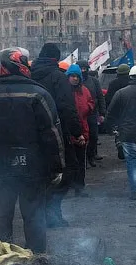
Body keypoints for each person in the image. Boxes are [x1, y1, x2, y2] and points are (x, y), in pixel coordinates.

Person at [0, 48, 63, 253]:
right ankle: (37, 258)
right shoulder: (38, 94)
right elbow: (52, 135)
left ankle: (5, 258)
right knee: (34, 215)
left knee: (2, 216)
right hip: (32, 167)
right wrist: (56, 168)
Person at [29, 43, 82, 227]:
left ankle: (39, 214)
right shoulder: (58, 77)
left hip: (31, 135)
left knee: (40, 174)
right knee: (67, 171)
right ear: (56, 58)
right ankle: (51, 213)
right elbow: (67, 107)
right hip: (56, 132)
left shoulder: (29, 75)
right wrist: (77, 132)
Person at [105, 65, 136, 201]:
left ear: (131, 77)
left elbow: (111, 113)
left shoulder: (121, 93)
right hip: (129, 133)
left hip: (128, 134)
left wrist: (109, 128)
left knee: (132, 161)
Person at [66, 64, 94, 195]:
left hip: (83, 129)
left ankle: (79, 187)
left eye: (77, 76)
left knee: (80, 161)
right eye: (72, 76)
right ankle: (69, 185)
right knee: (70, 162)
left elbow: (91, 103)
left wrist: (87, 108)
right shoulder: (64, 91)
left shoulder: (85, 90)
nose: (75, 79)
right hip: (68, 132)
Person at [79, 61, 105, 169]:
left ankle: (91, 156)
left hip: (92, 114)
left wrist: (102, 113)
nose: (83, 71)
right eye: (81, 69)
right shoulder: (74, 81)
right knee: (81, 138)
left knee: (93, 136)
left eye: (85, 69)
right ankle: (83, 159)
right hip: (79, 115)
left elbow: (100, 97)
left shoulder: (94, 81)